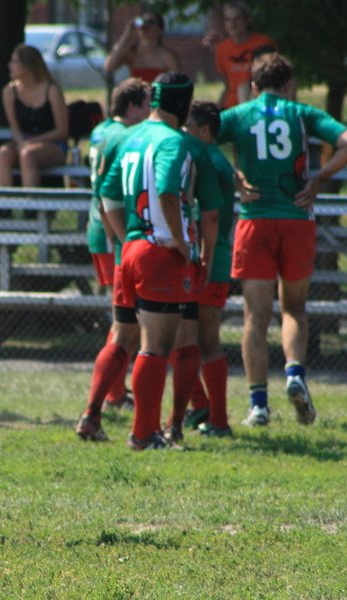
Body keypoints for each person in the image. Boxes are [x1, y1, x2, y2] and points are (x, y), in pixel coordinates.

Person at [214, 52, 347, 426]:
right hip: (296, 219)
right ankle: (295, 374)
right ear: (290, 85)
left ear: (253, 86)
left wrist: (233, 176)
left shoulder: (239, 113)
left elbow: (194, 138)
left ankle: (258, 405)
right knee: (293, 308)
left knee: (255, 316)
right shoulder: (301, 114)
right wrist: (318, 179)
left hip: (255, 221)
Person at [98, 71, 214, 450]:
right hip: (158, 252)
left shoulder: (131, 136)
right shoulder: (173, 141)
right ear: (183, 103)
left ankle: (119, 422)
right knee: (156, 347)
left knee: (130, 338)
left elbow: (108, 195)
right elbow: (166, 192)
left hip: (130, 249)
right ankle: (144, 432)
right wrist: (179, 243)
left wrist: (123, 237)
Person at [75, 77, 151, 441]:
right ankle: (114, 394)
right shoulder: (128, 137)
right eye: (147, 102)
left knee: (123, 321)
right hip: (117, 233)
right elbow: (113, 192)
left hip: (100, 227)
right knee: (127, 325)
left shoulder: (103, 130)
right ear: (134, 106)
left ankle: (113, 394)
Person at [167, 100, 238, 439]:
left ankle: (216, 419)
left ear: (205, 131)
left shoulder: (208, 160)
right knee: (186, 340)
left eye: (189, 129)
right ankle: (203, 408)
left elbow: (208, 216)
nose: (184, 135)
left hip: (210, 260)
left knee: (201, 342)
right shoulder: (214, 159)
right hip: (210, 257)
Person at [0, 44, 69, 188]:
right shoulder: (9, 91)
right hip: (23, 144)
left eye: (15, 61)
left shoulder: (51, 89)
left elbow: (62, 131)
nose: (9, 65)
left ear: (28, 65)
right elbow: (15, 129)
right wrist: (22, 142)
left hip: (53, 145)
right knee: (3, 153)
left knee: (27, 155)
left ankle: (30, 207)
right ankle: (2, 208)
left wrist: (33, 141)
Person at [212, 1, 277, 109]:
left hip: (257, 103)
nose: (232, 25)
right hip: (231, 106)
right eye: (228, 20)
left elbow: (275, 77)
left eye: (237, 19)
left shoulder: (263, 43)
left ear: (247, 20)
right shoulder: (221, 49)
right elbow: (227, 84)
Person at [104, 11, 180, 83]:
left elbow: (176, 82)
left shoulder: (168, 56)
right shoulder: (132, 53)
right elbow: (109, 66)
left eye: (151, 22)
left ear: (160, 29)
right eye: (143, 21)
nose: (146, 26)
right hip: (138, 95)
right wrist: (126, 34)